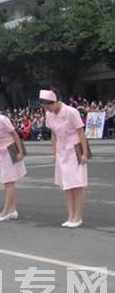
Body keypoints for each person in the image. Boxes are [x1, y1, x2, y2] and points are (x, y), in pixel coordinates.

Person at [40, 89, 89, 228]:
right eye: (45, 107)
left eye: (49, 106)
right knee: (66, 184)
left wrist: (84, 153)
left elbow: (81, 132)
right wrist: (54, 152)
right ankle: (70, 215)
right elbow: (53, 134)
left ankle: (78, 216)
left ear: (55, 102)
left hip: (75, 148)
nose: (48, 109)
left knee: (77, 184)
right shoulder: (49, 114)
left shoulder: (71, 112)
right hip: (62, 149)